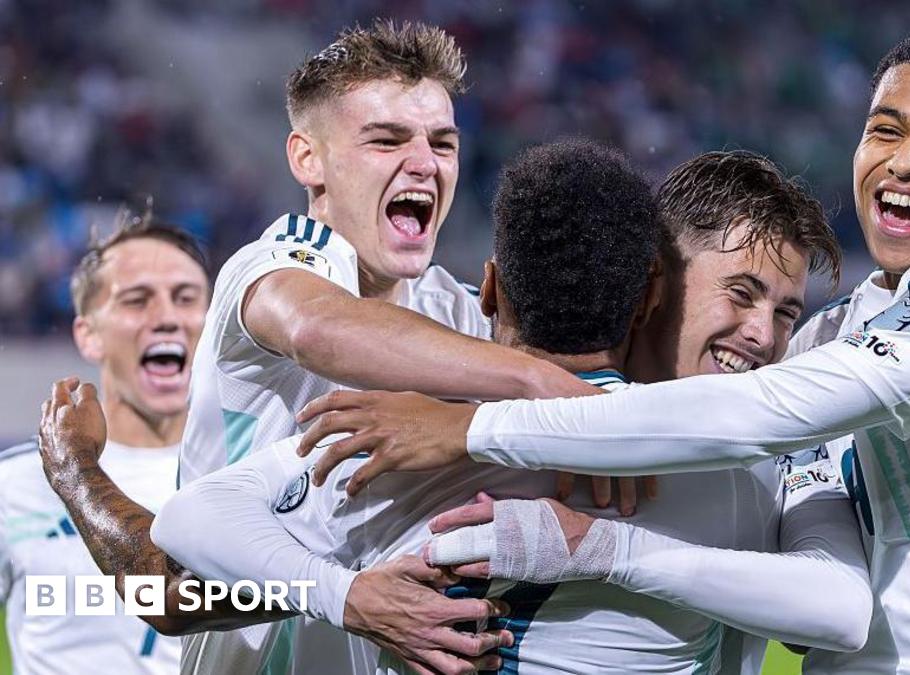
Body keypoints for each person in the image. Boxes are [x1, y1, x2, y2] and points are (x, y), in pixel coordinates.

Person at [304, 28, 910, 674]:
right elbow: (201, 557)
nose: (905, 160)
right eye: (886, 129)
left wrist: (491, 437)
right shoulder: (843, 333)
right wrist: (342, 595)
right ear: (653, 284)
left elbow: (827, 581)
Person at [150, 142, 866, 674]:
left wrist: (601, 545)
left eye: (786, 312)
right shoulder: (423, 414)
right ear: (656, 287)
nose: (763, 334)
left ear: (490, 290)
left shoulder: (427, 424)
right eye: (741, 294)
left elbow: (834, 615)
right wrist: (352, 596)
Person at [34, 19, 592, 675]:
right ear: (308, 159)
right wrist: (541, 384)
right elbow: (316, 328)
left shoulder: (458, 313)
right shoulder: (273, 266)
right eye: (386, 140)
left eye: (443, 142)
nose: (424, 163)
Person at [0, 208, 206, 675]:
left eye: (185, 297)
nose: (168, 317)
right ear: (88, 336)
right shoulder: (14, 485)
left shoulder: (253, 476)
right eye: (137, 300)